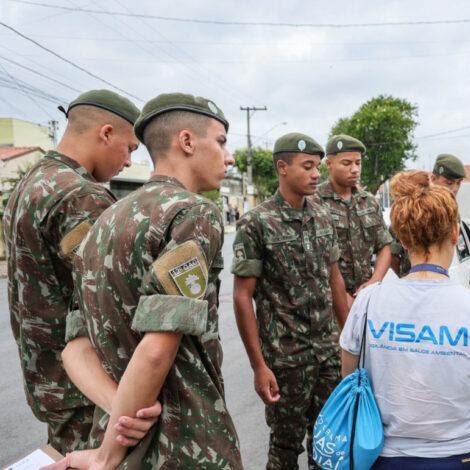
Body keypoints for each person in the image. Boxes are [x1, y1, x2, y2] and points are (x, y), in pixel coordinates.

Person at [49, 93, 242, 469]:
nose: (229, 156)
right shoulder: (193, 213)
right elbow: (157, 348)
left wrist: (117, 414)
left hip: (119, 436)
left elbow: (75, 345)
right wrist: (105, 457)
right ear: (186, 142)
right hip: (183, 443)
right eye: (220, 141)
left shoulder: (103, 221)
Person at [341, 170, 470, 468]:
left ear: (401, 238)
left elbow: (350, 377)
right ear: (454, 234)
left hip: (383, 457)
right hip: (463, 457)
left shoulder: (368, 302)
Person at [3, 89, 144, 453]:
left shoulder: (30, 183)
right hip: (89, 389)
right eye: (129, 148)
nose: (128, 162)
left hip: (48, 381)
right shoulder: (80, 196)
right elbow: (113, 298)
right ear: (106, 132)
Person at [232, 132, 351, 469]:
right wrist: (259, 366)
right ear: (282, 168)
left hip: (328, 353)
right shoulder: (256, 223)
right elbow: (243, 297)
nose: (316, 174)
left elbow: (335, 279)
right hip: (286, 359)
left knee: (328, 440)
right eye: (308, 167)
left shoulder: (322, 215)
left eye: (317, 167)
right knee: (285, 447)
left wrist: (348, 339)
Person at [315, 134, 393, 295]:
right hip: (327, 301)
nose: (355, 169)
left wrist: (375, 280)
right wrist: (341, 296)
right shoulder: (313, 202)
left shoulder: (370, 202)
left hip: (365, 297)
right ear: (329, 164)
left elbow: (385, 245)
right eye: (347, 163)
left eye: (358, 163)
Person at [390, 153, 466, 276]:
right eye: (449, 182)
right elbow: (393, 254)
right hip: (412, 280)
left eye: (459, 183)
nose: (455, 188)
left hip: (445, 277)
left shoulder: (452, 210)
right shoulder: (411, 209)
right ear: (433, 179)